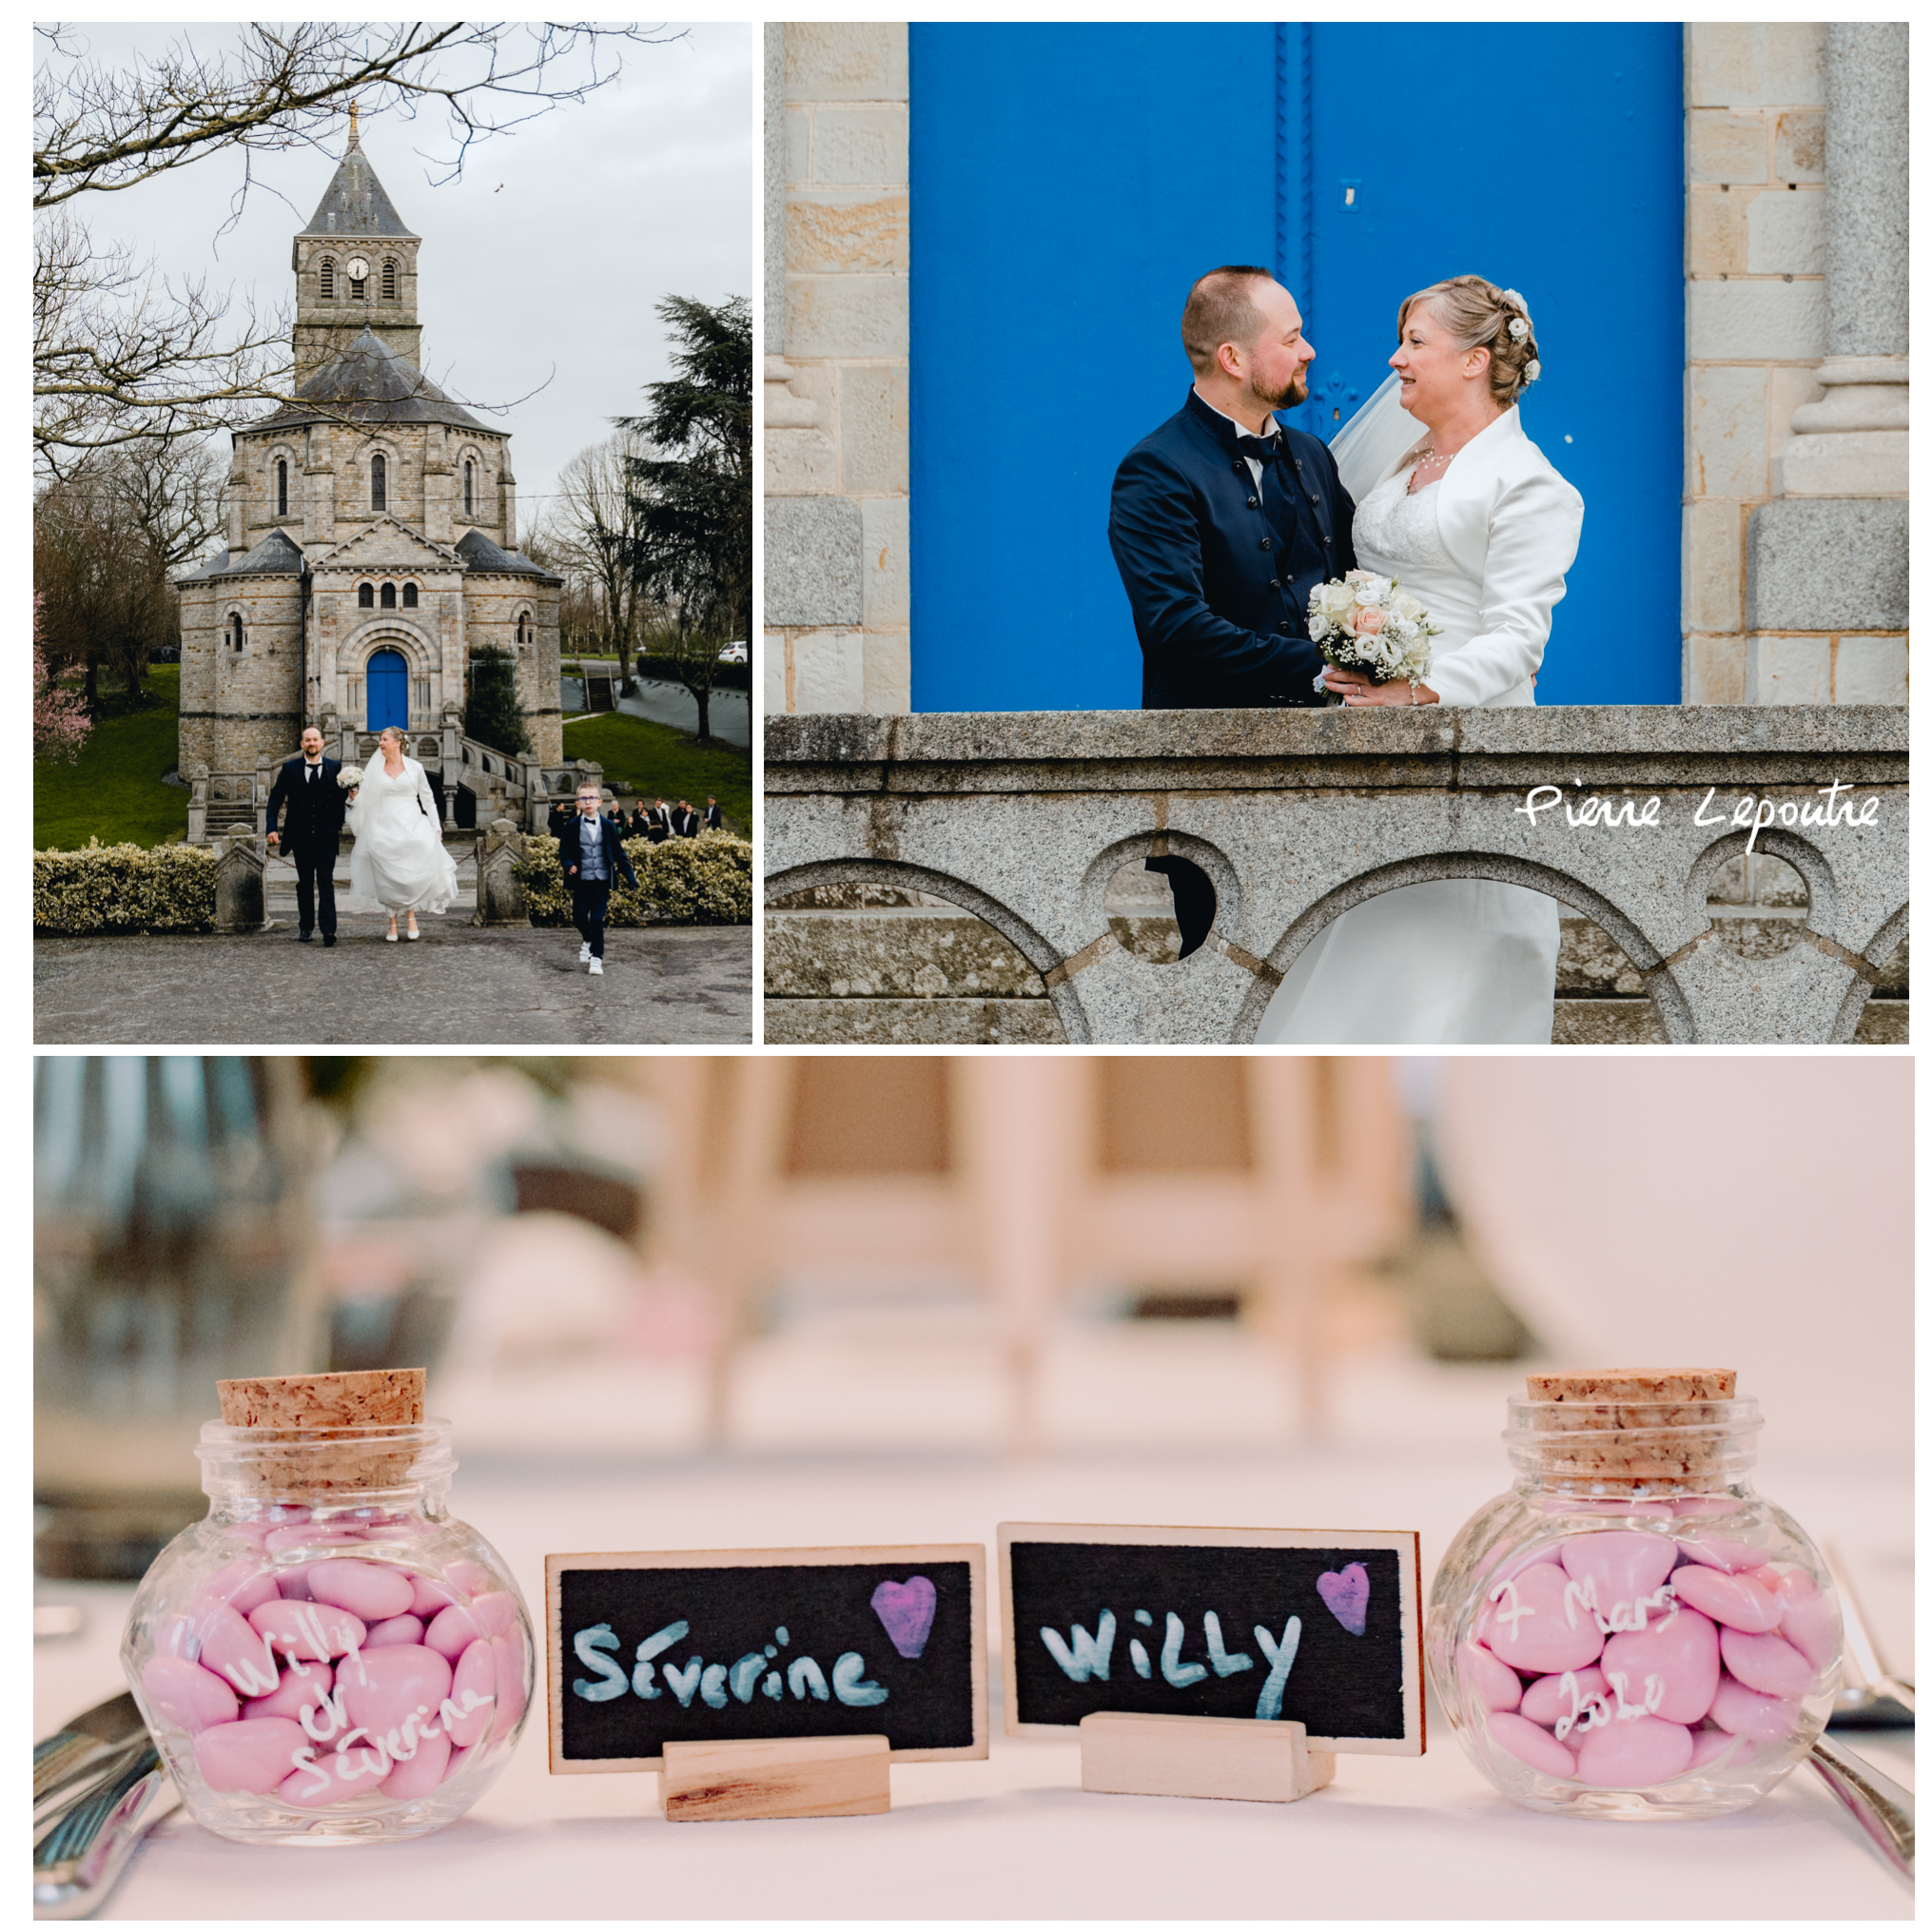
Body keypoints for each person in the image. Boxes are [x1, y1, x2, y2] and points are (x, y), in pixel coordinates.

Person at [1255, 275, 1584, 1045]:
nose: (1394, 360)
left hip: (1467, 736)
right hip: (1374, 734)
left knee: (1454, 963)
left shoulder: (1530, 485)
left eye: (1414, 343)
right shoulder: (1397, 469)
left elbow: (1516, 639)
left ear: (1473, 361)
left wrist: (1420, 690)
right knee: (1358, 942)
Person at [1109, 265, 1356, 955]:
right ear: (1233, 358)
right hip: (1211, 778)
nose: (1308, 351)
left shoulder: (1311, 456)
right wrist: (1319, 663)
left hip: (1330, 776)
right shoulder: (1154, 469)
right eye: (1293, 337)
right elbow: (1173, 625)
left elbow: (1354, 583)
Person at [342, 725, 460, 941]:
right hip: (382, 826)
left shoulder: (415, 767)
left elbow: (427, 799)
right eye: (380, 739)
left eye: (384, 739)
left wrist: (436, 827)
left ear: (397, 742)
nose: (380, 743)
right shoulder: (374, 770)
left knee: (411, 871)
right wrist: (353, 796)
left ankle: (411, 913)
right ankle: (392, 922)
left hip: (411, 823)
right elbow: (365, 800)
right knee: (386, 876)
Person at [264, 724, 348, 946]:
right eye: (307, 740)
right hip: (300, 838)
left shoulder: (335, 767)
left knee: (326, 882)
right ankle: (306, 927)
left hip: (326, 838)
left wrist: (352, 796)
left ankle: (329, 930)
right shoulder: (290, 769)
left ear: (322, 743)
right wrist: (271, 827)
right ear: (302, 744)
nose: (311, 743)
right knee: (305, 884)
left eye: (315, 739)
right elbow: (275, 800)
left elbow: (340, 801)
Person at [556, 780, 637, 976]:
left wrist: (630, 877)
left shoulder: (608, 826)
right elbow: (563, 851)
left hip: (601, 880)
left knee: (598, 919)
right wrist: (568, 865)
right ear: (578, 803)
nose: (588, 801)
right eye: (583, 798)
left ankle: (597, 958)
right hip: (582, 881)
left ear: (599, 802)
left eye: (592, 797)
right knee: (579, 917)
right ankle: (588, 940)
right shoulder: (571, 826)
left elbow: (619, 854)